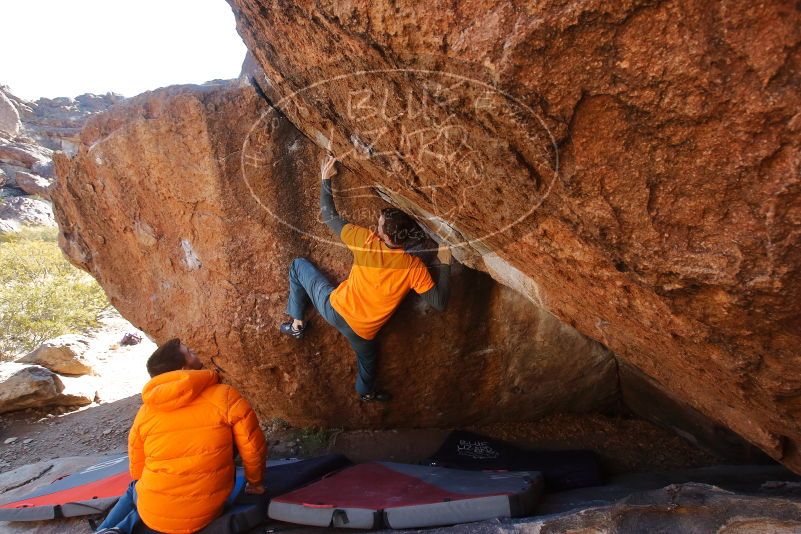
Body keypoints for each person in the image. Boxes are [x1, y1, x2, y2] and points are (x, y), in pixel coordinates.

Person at [279, 155, 452, 402]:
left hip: (334, 309)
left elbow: (329, 216)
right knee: (368, 362)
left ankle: (297, 325)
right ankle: (366, 392)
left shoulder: (366, 242)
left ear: (384, 235)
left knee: (298, 266)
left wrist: (325, 179)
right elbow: (439, 302)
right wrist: (445, 263)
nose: (376, 226)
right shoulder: (414, 268)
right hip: (363, 333)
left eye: (379, 225)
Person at [95, 339, 267, 534]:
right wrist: (255, 483)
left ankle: (112, 529)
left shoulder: (146, 411)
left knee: (134, 488)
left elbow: (137, 466)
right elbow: (252, 446)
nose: (195, 351)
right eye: (190, 352)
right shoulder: (224, 396)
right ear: (184, 370)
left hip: (153, 512)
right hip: (206, 511)